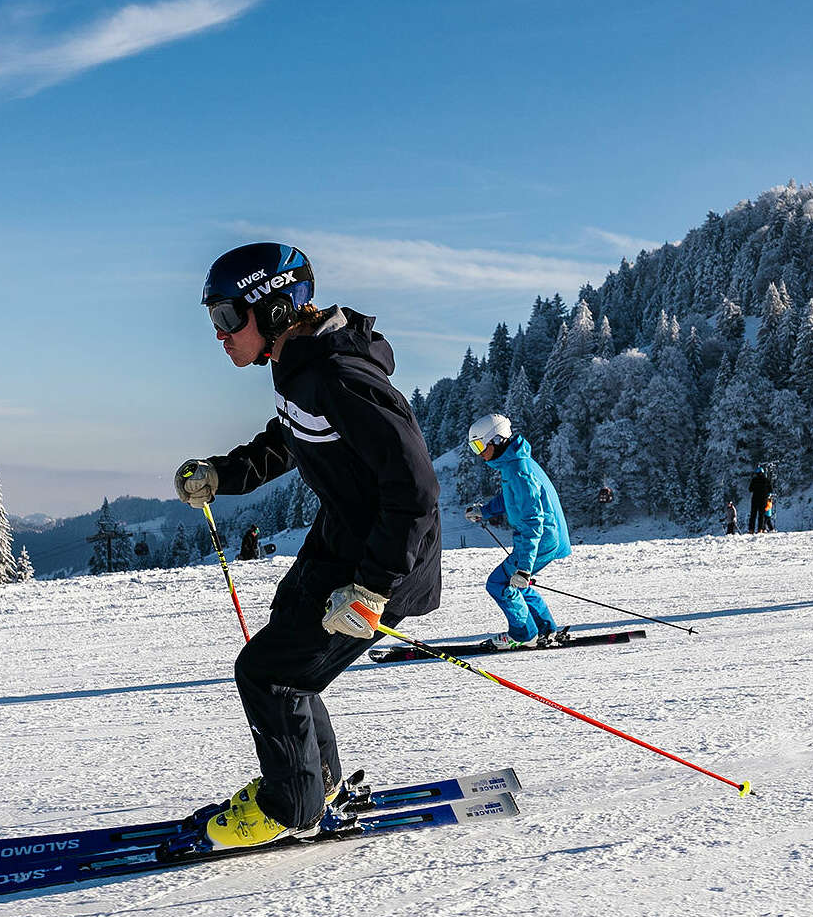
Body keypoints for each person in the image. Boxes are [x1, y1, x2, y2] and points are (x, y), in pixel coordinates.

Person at [174, 242, 442, 850]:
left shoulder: (339, 374)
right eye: (213, 318)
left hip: (384, 563)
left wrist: (374, 586)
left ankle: (290, 803)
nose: (220, 335)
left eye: (226, 317)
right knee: (285, 644)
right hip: (342, 545)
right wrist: (226, 473)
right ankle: (313, 781)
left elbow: (416, 487)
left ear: (272, 309)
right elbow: (292, 434)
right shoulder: (303, 363)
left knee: (268, 674)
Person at [461, 412, 572, 650]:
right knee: (516, 583)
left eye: (480, 445)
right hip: (545, 537)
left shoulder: (519, 470)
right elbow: (513, 498)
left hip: (541, 538)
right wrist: (486, 511)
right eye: (473, 447)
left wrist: (524, 566)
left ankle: (524, 635)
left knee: (500, 584)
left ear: (497, 440)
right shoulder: (514, 463)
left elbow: (533, 520)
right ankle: (545, 629)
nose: (479, 453)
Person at [747, 467, 773, 533]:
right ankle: (760, 529)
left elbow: (750, 489)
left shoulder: (754, 480)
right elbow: (771, 490)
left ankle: (751, 529)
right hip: (763, 500)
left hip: (755, 499)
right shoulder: (767, 480)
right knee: (761, 515)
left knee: (753, 515)